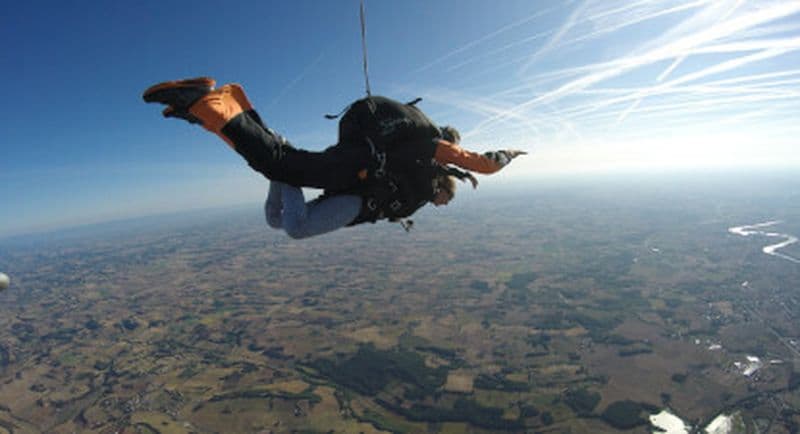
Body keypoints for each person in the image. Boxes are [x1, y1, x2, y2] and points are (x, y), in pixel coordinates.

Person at [142, 77, 526, 237]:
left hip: (352, 174)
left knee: (276, 213)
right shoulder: (429, 150)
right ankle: (206, 104)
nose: (440, 203)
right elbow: (483, 164)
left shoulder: (420, 169)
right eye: (444, 198)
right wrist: (509, 155)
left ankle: (225, 113)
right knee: (294, 219)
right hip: (353, 181)